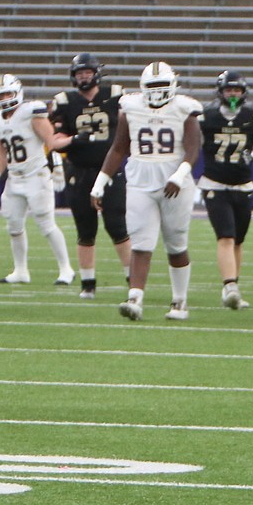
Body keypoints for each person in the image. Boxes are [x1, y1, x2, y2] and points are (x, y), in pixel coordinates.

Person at [91, 61, 200, 321]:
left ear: (173, 85)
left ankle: (179, 301)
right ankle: (135, 298)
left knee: (176, 244)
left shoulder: (185, 108)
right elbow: (118, 148)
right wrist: (99, 183)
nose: (157, 91)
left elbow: (193, 147)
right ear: (142, 87)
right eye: (152, 86)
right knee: (141, 242)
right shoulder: (130, 107)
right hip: (140, 180)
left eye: (162, 85)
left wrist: (179, 175)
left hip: (175, 183)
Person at [47, 53, 132, 299]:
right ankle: (88, 283)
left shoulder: (116, 95)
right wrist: (75, 139)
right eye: (79, 73)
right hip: (80, 171)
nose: (84, 77)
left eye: (87, 72)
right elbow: (55, 141)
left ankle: (132, 278)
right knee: (85, 229)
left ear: (96, 73)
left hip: (110, 169)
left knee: (117, 225)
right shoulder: (65, 101)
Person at [197, 70, 253, 309]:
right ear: (220, 92)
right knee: (226, 236)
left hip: (243, 186)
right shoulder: (207, 117)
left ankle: (232, 288)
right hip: (214, 184)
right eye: (229, 90)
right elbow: (191, 143)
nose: (233, 94)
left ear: (244, 92)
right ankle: (230, 285)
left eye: (237, 90)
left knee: (237, 241)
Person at [0, 74, 74, 286]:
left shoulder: (31, 112)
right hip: (14, 178)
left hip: (36, 175)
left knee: (46, 224)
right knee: (14, 226)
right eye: (1, 95)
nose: (5, 98)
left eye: (8, 93)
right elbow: (2, 152)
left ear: (17, 92)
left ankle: (66, 269)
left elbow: (50, 140)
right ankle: (20, 271)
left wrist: (58, 167)